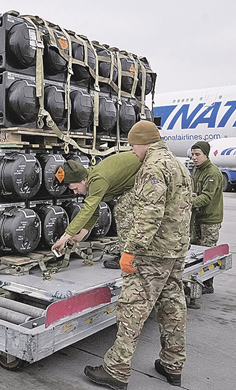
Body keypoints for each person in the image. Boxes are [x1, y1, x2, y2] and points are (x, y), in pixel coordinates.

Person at [83, 120, 192, 389]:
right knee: (172, 306)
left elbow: (149, 214)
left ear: (143, 142)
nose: (133, 152)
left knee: (133, 309)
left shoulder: (153, 166)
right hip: (175, 250)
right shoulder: (179, 164)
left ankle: (116, 370)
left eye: (133, 146)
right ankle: (172, 364)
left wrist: (130, 249)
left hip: (152, 252)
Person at [51, 153, 142, 268]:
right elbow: (94, 211)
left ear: (83, 180)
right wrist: (80, 235)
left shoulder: (97, 180)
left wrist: (64, 238)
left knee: (122, 210)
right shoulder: (89, 180)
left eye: (75, 188)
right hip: (136, 178)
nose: (75, 192)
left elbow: (87, 210)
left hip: (147, 171)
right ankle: (130, 252)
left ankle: (129, 258)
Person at [187, 140, 224, 309]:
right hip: (197, 217)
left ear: (206, 155)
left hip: (210, 219)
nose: (194, 158)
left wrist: (188, 201)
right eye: (193, 154)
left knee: (208, 252)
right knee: (195, 251)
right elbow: (196, 191)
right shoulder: (197, 170)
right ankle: (197, 281)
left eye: (197, 155)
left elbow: (207, 197)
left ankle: (208, 283)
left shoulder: (212, 173)